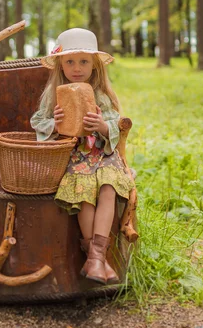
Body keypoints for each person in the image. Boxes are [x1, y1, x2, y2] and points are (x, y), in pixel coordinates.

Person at [30, 28, 135, 285]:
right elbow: (37, 122)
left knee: (108, 187)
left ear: (95, 65)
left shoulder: (100, 94)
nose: (77, 68)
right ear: (61, 65)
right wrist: (54, 124)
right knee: (85, 192)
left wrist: (101, 126)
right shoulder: (55, 93)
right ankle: (97, 259)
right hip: (74, 155)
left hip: (102, 154)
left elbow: (115, 123)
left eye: (84, 61)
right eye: (70, 62)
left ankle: (95, 258)